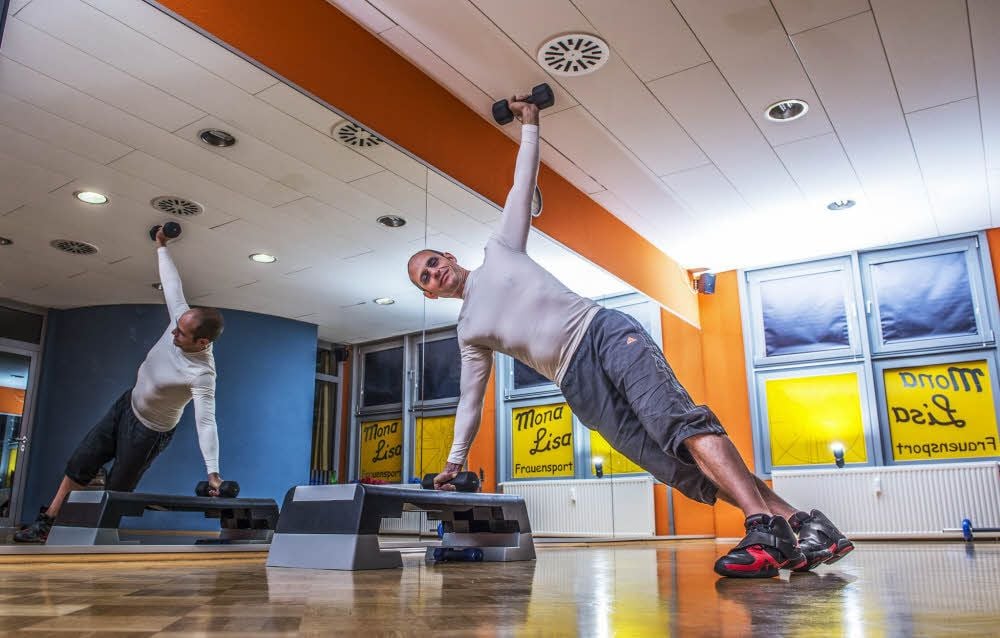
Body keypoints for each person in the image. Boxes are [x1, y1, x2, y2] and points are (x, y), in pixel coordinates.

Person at [407, 96, 854, 578]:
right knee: (676, 470)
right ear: (430, 295)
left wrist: (531, 124)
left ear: (449, 257)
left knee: (677, 426)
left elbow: (522, 183)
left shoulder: (501, 250)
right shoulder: (469, 331)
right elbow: (470, 401)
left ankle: (761, 525)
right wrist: (454, 462)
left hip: (601, 333)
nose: (434, 273)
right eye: (425, 278)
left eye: (433, 262)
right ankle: (803, 526)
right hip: (577, 384)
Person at [15, 229, 226, 543]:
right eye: (177, 327)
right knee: (80, 462)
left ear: (202, 341)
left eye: (181, 333)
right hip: (126, 405)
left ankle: (95, 537)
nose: (173, 333)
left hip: (150, 432)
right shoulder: (180, 319)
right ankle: (46, 523)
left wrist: (212, 471)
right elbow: (172, 283)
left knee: (117, 489)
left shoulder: (202, 374)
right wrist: (162, 247)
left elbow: (206, 421)